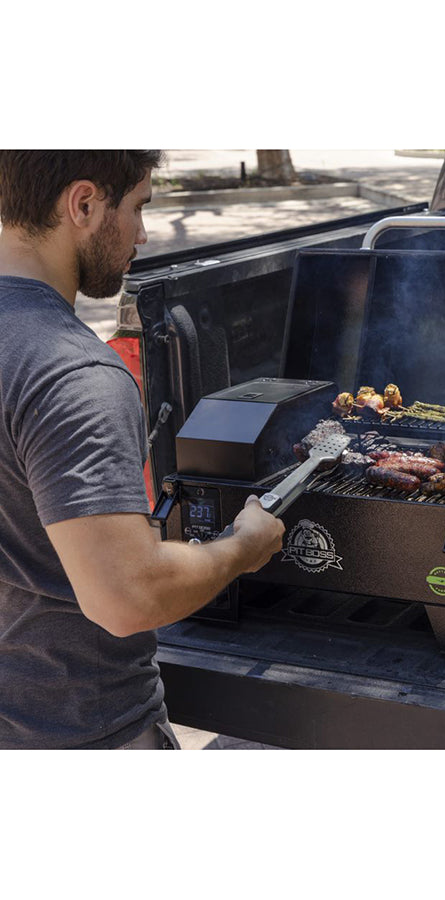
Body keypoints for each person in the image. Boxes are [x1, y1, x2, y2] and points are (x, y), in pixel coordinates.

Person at [0, 151, 285, 749]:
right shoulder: (71, 373)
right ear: (84, 205)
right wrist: (242, 547)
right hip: (82, 736)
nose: (143, 233)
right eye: (137, 207)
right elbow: (128, 597)